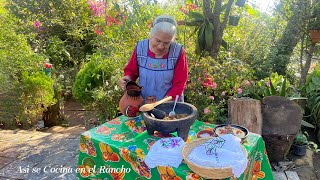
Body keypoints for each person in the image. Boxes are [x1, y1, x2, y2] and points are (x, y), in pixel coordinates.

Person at [119, 15, 188, 102]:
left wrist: (164, 103)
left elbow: (180, 83)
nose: (161, 46)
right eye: (158, 41)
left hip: (170, 105)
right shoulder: (141, 48)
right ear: (151, 35)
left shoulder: (178, 52)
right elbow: (131, 71)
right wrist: (127, 80)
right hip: (144, 102)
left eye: (167, 43)